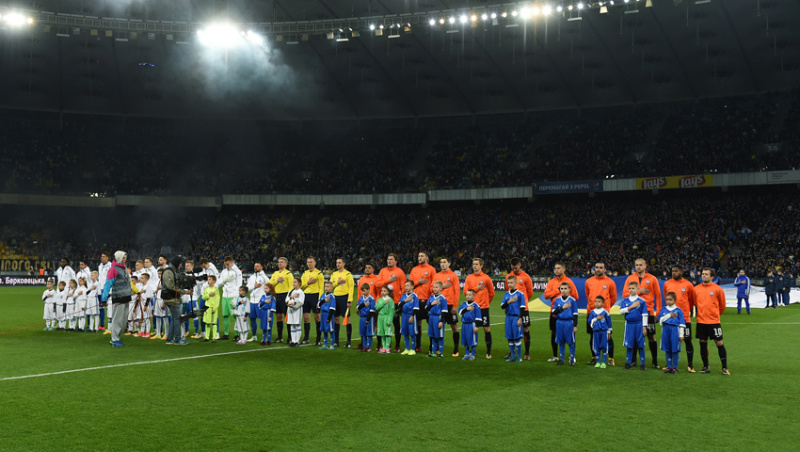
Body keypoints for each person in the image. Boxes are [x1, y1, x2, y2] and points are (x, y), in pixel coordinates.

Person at [623, 258, 663, 369]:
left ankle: (655, 361)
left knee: (651, 336)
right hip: (634, 312)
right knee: (634, 337)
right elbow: (625, 294)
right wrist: (640, 291)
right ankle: (633, 361)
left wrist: (658, 312)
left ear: (645, 266)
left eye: (640, 265)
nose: (638, 267)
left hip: (649, 311)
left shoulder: (652, 279)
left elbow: (658, 296)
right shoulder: (630, 278)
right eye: (636, 265)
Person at [694, 268, 730, 375]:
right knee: (702, 342)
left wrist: (714, 315)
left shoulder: (717, 289)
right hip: (701, 321)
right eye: (703, 274)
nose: (704, 276)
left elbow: (722, 306)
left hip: (713, 321)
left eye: (706, 274)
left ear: (712, 277)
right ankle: (706, 366)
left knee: (719, 342)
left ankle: (724, 367)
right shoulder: (696, 289)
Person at [663, 266, 697, 372]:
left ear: (681, 272)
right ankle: (670, 365)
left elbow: (692, 300)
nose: (674, 273)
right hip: (671, 319)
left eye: (676, 271)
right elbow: (666, 299)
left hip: (685, 319)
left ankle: (690, 365)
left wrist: (685, 311)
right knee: (670, 342)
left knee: (687, 341)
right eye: (673, 271)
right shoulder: (667, 284)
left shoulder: (688, 284)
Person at [542, 263, 578, 363]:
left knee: (569, 336)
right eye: (555, 268)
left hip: (567, 314)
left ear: (564, 269)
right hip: (554, 312)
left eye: (559, 268)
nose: (556, 270)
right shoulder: (552, 282)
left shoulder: (569, 281)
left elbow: (576, 296)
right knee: (554, 333)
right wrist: (557, 292)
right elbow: (546, 295)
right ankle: (555, 355)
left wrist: (566, 302)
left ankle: (571, 356)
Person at [584, 261, 617, 366]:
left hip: (604, 314)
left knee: (608, 336)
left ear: (604, 269)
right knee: (593, 336)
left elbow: (613, 298)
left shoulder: (610, 282)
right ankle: (594, 357)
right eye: (596, 267)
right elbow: (588, 295)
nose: (598, 269)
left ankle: (611, 358)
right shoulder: (589, 281)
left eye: (600, 267)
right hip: (591, 313)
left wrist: (605, 309)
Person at [463, 258, 495, 359]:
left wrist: (486, 302)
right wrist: (476, 288)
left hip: (483, 308)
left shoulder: (486, 278)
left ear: (481, 266)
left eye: (477, 264)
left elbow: (491, 293)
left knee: (486, 329)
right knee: (472, 329)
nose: (475, 266)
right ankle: (472, 351)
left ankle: (488, 352)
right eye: (473, 264)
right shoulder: (469, 278)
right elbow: (465, 292)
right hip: (472, 308)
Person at [100, 251, 133, 347]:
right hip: (118, 298)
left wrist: (136, 290)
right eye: (123, 258)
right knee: (117, 320)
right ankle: (114, 339)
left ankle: (117, 337)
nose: (125, 259)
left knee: (123, 321)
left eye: (125, 257)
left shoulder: (125, 268)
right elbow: (107, 285)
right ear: (118, 258)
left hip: (126, 297)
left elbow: (128, 282)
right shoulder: (113, 270)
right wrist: (104, 299)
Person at [377, 253, 407, 352]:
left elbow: (404, 288)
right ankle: (386, 345)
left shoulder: (400, 272)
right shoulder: (383, 271)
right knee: (384, 324)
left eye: (391, 259)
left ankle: (397, 345)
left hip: (395, 302)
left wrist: (400, 299)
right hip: (384, 302)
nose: (389, 261)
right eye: (388, 259)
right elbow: (377, 284)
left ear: (396, 261)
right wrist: (387, 280)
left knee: (396, 324)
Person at [506, 258, 533, 360]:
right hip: (512, 309)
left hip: (523, 308)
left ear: (520, 265)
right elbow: (508, 290)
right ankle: (512, 353)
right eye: (513, 268)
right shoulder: (509, 276)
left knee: (525, 329)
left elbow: (530, 292)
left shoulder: (526, 277)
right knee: (511, 330)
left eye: (516, 268)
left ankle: (527, 353)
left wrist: (522, 301)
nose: (514, 269)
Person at [433, 257, 460, 357]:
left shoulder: (453, 276)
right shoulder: (437, 275)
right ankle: (436, 349)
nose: (442, 264)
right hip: (439, 304)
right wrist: (443, 286)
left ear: (449, 263)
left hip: (449, 304)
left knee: (454, 326)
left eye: (444, 262)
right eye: (441, 262)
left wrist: (455, 306)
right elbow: (433, 288)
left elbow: (457, 291)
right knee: (438, 326)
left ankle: (456, 349)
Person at [410, 251, 436, 353]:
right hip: (416, 300)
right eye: (419, 256)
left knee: (431, 323)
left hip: (428, 300)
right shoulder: (414, 269)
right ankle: (418, 345)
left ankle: (432, 346)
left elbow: (434, 284)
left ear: (427, 258)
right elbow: (410, 285)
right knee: (417, 323)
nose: (420, 258)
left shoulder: (431, 269)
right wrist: (418, 282)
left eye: (422, 256)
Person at [620, 281, 648, 370]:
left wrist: (644, 327)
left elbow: (644, 315)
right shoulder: (625, 300)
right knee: (629, 344)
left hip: (639, 325)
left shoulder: (642, 301)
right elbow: (621, 311)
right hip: (629, 325)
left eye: (633, 288)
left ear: (637, 289)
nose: (631, 290)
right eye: (630, 288)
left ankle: (643, 364)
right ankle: (628, 363)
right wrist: (631, 307)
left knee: (640, 345)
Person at [162, 255, 190, 345]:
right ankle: (177, 339)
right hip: (171, 298)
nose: (181, 265)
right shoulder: (169, 272)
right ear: (177, 263)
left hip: (172, 298)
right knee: (177, 318)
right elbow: (170, 286)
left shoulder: (172, 271)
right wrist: (184, 292)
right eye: (180, 264)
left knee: (175, 318)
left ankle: (169, 339)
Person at [330, 257, 355, 348]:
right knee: (336, 319)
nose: (338, 264)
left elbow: (351, 288)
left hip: (344, 298)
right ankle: (336, 341)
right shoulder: (334, 274)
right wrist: (338, 282)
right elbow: (330, 286)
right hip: (335, 298)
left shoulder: (348, 274)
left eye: (340, 263)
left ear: (344, 264)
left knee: (347, 320)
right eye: (337, 263)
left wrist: (349, 300)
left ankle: (348, 342)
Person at [659, 292, 686, 374]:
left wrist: (681, 335)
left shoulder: (678, 310)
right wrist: (669, 315)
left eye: (670, 300)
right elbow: (660, 321)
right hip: (665, 329)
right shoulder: (663, 309)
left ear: (675, 300)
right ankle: (669, 366)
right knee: (667, 349)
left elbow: (682, 323)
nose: (668, 301)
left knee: (675, 350)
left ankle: (675, 367)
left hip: (675, 330)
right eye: (667, 300)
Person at [217, 256, 243, 340]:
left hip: (233, 295)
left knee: (235, 315)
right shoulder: (224, 271)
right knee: (225, 315)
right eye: (225, 264)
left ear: (232, 262)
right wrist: (224, 280)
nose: (226, 265)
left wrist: (236, 297)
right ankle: (226, 334)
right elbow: (219, 283)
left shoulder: (237, 271)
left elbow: (239, 284)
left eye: (228, 264)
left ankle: (237, 334)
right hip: (225, 295)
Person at [552, 282, 578, 366]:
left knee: (571, 342)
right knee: (561, 341)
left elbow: (575, 314)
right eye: (562, 289)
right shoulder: (557, 300)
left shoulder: (572, 300)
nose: (563, 290)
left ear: (569, 289)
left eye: (565, 288)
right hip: (559, 322)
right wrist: (562, 308)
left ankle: (572, 359)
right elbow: (554, 312)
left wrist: (575, 326)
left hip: (569, 323)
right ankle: (562, 359)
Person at [500, 275, 525, 363]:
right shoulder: (506, 294)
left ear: (516, 283)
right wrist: (509, 302)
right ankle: (512, 356)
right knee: (509, 337)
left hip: (516, 317)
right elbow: (502, 306)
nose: (510, 284)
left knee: (516, 337)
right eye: (508, 283)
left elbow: (523, 308)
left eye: (511, 283)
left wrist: (520, 319)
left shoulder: (520, 294)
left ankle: (519, 356)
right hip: (508, 317)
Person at [270, 257, 294, 344]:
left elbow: (292, 286)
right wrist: (277, 281)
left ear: (285, 264)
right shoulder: (275, 273)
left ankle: (290, 337)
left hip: (285, 295)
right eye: (279, 262)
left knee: (286, 317)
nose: (280, 263)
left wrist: (289, 297)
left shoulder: (288, 274)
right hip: (277, 296)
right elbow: (270, 284)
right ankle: (279, 337)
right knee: (278, 317)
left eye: (282, 262)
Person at [301, 257, 324, 345]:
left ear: (315, 263)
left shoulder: (319, 274)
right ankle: (306, 338)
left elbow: (322, 288)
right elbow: (302, 285)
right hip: (306, 296)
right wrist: (308, 283)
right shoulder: (305, 273)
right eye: (308, 262)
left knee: (317, 318)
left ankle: (318, 339)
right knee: (306, 318)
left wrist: (320, 300)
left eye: (311, 262)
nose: (309, 263)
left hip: (315, 296)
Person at [587, 296, 612, 369]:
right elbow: (590, 321)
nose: (597, 303)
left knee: (604, 346)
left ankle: (603, 362)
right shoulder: (592, 312)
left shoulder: (605, 312)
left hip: (604, 332)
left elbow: (609, 323)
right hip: (596, 332)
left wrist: (609, 332)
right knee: (596, 347)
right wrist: (596, 319)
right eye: (596, 302)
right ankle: (598, 362)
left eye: (599, 302)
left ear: (603, 303)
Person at [247, 262, 269, 343]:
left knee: (263, 319)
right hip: (252, 301)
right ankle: (254, 336)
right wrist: (254, 286)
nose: (255, 268)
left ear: (261, 267)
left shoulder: (264, 277)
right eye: (255, 266)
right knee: (252, 318)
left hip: (260, 302)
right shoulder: (252, 277)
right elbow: (247, 288)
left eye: (257, 266)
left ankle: (265, 337)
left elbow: (269, 287)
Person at [426, 281, 447, 358]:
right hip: (431, 317)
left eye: (436, 287)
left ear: (441, 288)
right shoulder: (431, 298)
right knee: (433, 336)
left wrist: (441, 321)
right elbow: (426, 308)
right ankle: (433, 352)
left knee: (440, 336)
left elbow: (444, 311)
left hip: (438, 318)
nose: (434, 289)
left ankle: (440, 353)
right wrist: (432, 304)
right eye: (434, 287)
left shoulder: (442, 299)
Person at [459, 289, 480, 360]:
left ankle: (473, 354)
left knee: (473, 340)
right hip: (464, 324)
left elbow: (478, 317)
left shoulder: (476, 306)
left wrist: (477, 326)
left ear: (474, 296)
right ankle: (467, 353)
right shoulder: (463, 304)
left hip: (472, 325)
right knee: (465, 340)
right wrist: (467, 309)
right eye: (467, 295)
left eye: (470, 295)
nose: (468, 296)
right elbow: (460, 313)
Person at [399, 280, 419, 355]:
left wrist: (412, 316)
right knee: (405, 332)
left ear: (412, 287)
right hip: (404, 315)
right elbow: (399, 305)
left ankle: (413, 349)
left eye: (407, 285)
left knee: (412, 332)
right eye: (405, 285)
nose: (406, 287)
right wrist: (405, 301)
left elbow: (416, 307)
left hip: (411, 315)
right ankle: (406, 348)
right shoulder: (403, 296)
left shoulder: (414, 296)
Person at [375, 286, 395, 354]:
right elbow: (376, 307)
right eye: (382, 291)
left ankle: (387, 348)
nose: (383, 292)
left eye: (384, 291)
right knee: (382, 333)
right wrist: (384, 303)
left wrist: (389, 321)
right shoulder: (380, 299)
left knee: (387, 333)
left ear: (388, 292)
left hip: (386, 317)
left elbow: (391, 312)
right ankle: (383, 347)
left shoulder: (390, 300)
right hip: (380, 317)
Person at [286, 279, 305, 347]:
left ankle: (297, 341)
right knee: (292, 325)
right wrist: (290, 301)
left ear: (299, 283)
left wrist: (294, 306)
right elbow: (287, 300)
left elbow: (301, 302)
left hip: (297, 311)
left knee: (297, 325)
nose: (294, 283)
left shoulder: (301, 292)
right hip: (290, 310)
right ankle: (293, 341)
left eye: (295, 282)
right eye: (293, 282)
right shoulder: (291, 292)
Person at [356, 283, 376, 352]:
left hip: (369, 318)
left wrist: (368, 319)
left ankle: (369, 347)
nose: (363, 292)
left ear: (368, 290)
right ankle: (364, 347)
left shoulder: (371, 299)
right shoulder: (361, 298)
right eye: (362, 291)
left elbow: (372, 310)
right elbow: (357, 307)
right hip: (362, 317)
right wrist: (363, 305)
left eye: (364, 291)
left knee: (369, 333)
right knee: (363, 333)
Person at [318, 281, 337, 350]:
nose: (326, 288)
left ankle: (332, 344)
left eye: (328, 287)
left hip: (329, 314)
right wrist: (324, 300)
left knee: (331, 330)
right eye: (325, 286)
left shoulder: (332, 297)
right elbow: (318, 305)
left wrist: (329, 318)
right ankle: (325, 344)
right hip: (323, 314)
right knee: (324, 329)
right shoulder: (323, 296)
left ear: (331, 288)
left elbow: (332, 308)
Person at [202, 275, 221, 343]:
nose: (208, 281)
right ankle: (207, 337)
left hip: (213, 308)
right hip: (207, 308)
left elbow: (217, 299)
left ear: (214, 281)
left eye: (210, 279)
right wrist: (208, 295)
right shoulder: (206, 289)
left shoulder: (216, 289)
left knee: (214, 323)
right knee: (207, 323)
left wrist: (215, 308)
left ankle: (214, 338)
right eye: (208, 279)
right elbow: (203, 297)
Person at [97, 252, 112, 330]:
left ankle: (112, 326)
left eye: (103, 256)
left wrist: (110, 290)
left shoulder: (110, 265)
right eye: (101, 256)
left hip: (107, 289)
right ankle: (102, 325)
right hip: (101, 289)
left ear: (107, 258)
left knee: (110, 307)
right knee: (101, 307)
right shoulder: (100, 266)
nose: (102, 258)